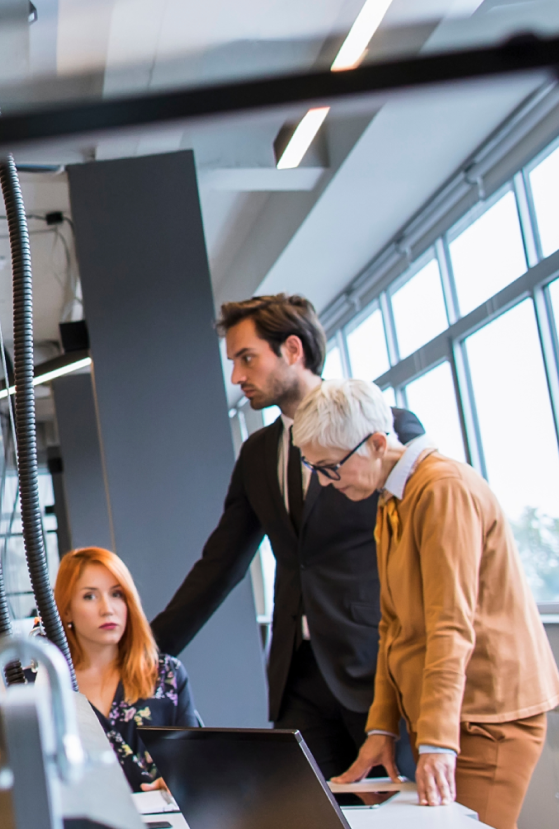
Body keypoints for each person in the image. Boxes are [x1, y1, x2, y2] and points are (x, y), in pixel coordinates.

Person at [147, 294, 426, 779]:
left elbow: (430, 542)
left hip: (376, 670)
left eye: (246, 358)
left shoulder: (387, 426)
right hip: (297, 676)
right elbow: (220, 564)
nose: (236, 376)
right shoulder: (258, 453)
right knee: (308, 824)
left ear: (293, 350)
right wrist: (144, 652)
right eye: (233, 361)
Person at [291, 379, 559, 829]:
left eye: (331, 467)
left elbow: (450, 626)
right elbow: (393, 627)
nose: (324, 481)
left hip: (486, 712)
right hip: (444, 711)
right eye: (314, 468)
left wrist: (438, 740)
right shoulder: (391, 499)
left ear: (378, 443)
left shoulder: (442, 490)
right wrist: (381, 728)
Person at [54, 547, 201, 792]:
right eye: (90, 596)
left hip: (166, 824)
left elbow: (196, 766)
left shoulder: (167, 676)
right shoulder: (47, 685)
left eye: (117, 594)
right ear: (66, 609)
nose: (107, 609)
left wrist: (180, 781)